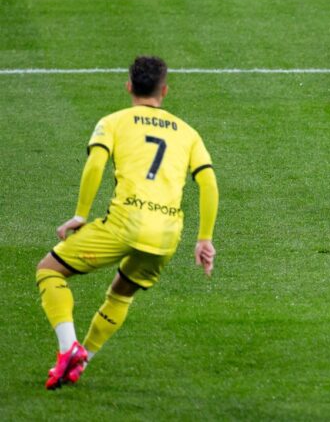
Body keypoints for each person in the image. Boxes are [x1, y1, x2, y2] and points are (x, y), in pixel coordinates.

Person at [35, 56, 219, 390]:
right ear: (164, 90)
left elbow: (95, 164)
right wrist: (204, 238)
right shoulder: (189, 133)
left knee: (49, 270)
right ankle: (80, 363)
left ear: (129, 86)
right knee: (121, 294)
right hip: (165, 236)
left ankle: (68, 348)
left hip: (124, 223)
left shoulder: (114, 122)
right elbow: (208, 183)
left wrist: (81, 214)